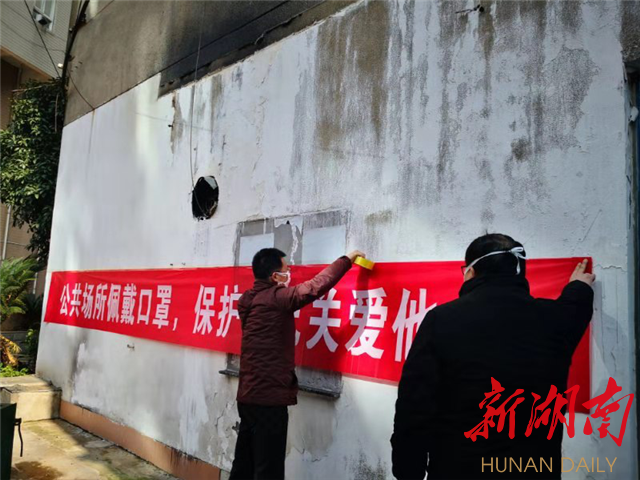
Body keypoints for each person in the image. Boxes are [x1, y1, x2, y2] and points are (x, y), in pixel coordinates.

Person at [391, 233, 595, 480]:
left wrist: (408, 471)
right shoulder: (555, 320)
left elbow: (415, 404)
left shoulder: (442, 319)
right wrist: (579, 286)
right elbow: (574, 309)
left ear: (470, 272)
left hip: (459, 468)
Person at [229, 247, 365, 480]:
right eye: (286, 269)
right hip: (269, 398)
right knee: (268, 466)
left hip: (248, 395)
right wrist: (346, 260)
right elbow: (315, 286)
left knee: (245, 459)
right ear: (275, 276)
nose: (289, 272)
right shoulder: (278, 298)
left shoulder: (247, 299)